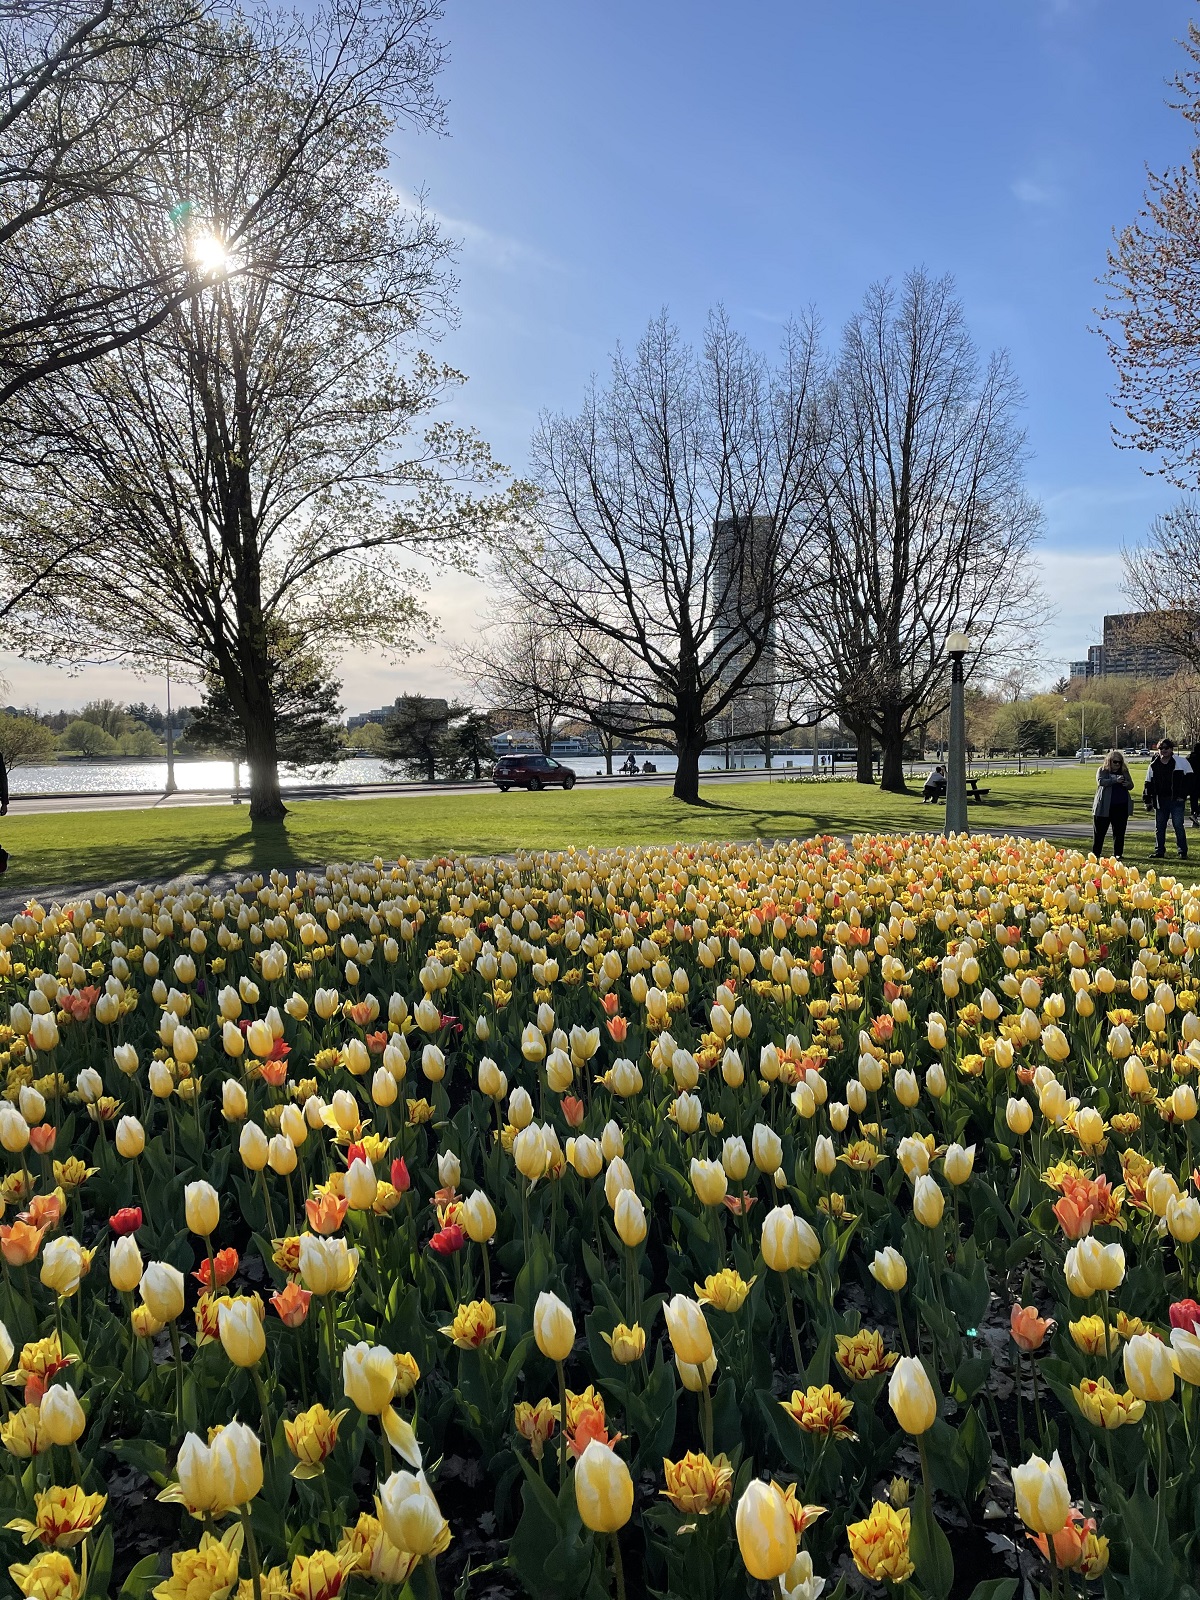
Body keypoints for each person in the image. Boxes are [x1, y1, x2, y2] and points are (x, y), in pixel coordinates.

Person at [1143, 737, 1192, 859]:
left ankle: (1182, 851)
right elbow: (1148, 783)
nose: (1163, 750)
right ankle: (1159, 851)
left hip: (1176, 800)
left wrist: (1183, 796)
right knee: (1159, 827)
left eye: (1166, 748)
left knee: (1178, 826)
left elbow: (1190, 781)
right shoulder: (1153, 765)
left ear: (1171, 749)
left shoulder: (1181, 763)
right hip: (1160, 800)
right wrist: (1147, 800)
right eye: (1161, 748)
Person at [1092, 750, 1134, 858]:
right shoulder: (1102, 770)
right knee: (1099, 832)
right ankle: (1096, 854)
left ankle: (1118, 854)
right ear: (1109, 761)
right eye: (1115, 762)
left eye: (1119, 762)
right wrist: (1115, 780)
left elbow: (1131, 785)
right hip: (1104, 807)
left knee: (1119, 832)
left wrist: (1126, 783)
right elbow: (1101, 782)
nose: (1117, 764)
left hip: (1121, 806)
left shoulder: (1124, 771)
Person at [1189, 740, 1200, 825]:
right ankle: (1196, 813)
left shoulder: (1190, 758)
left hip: (1192, 782)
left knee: (1194, 799)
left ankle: (1194, 813)